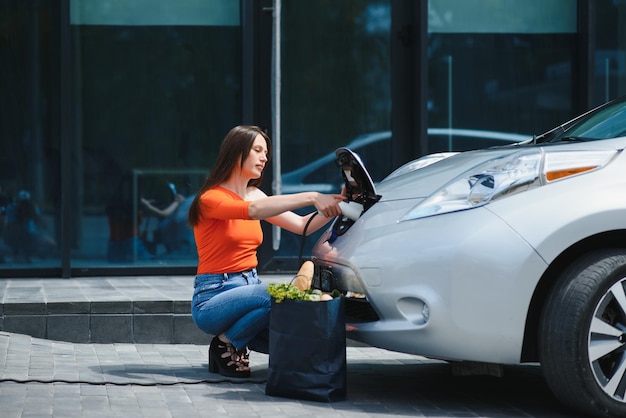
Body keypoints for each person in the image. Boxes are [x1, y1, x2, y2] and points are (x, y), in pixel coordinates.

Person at [188, 125, 344, 378]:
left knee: (296, 342)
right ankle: (224, 343)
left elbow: (302, 225)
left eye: (266, 153)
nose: (264, 158)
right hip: (214, 298)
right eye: (258, 150)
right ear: (237, 152)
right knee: (280, 296)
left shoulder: (255, 195)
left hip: (251, 288)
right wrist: (313, 196)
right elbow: (253, 211)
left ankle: (232, 341)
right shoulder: (211, 198)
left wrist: (338, 205)